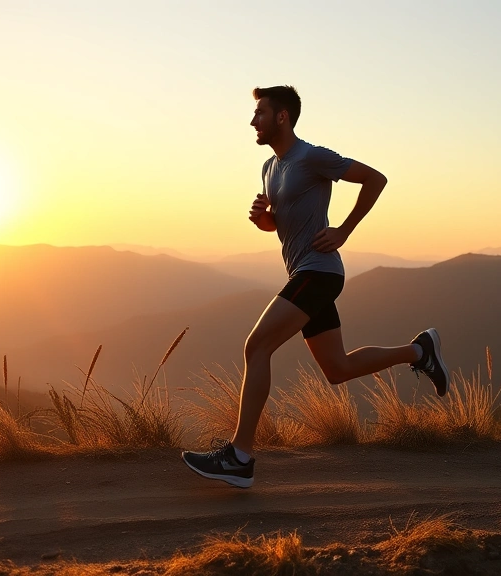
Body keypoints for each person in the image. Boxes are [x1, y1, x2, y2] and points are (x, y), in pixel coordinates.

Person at [181, 85, 449, 488]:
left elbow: (375, 179)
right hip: (302, 273)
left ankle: (239, 456)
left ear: (282, 117)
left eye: (260, 113)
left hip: (319, 272)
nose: (253, 120)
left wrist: (344, 229)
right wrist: (264, 220)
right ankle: (420, 350)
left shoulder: (312, 157)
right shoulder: (270, 168)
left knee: (256, 346)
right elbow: (281, 226)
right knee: (337, 369)